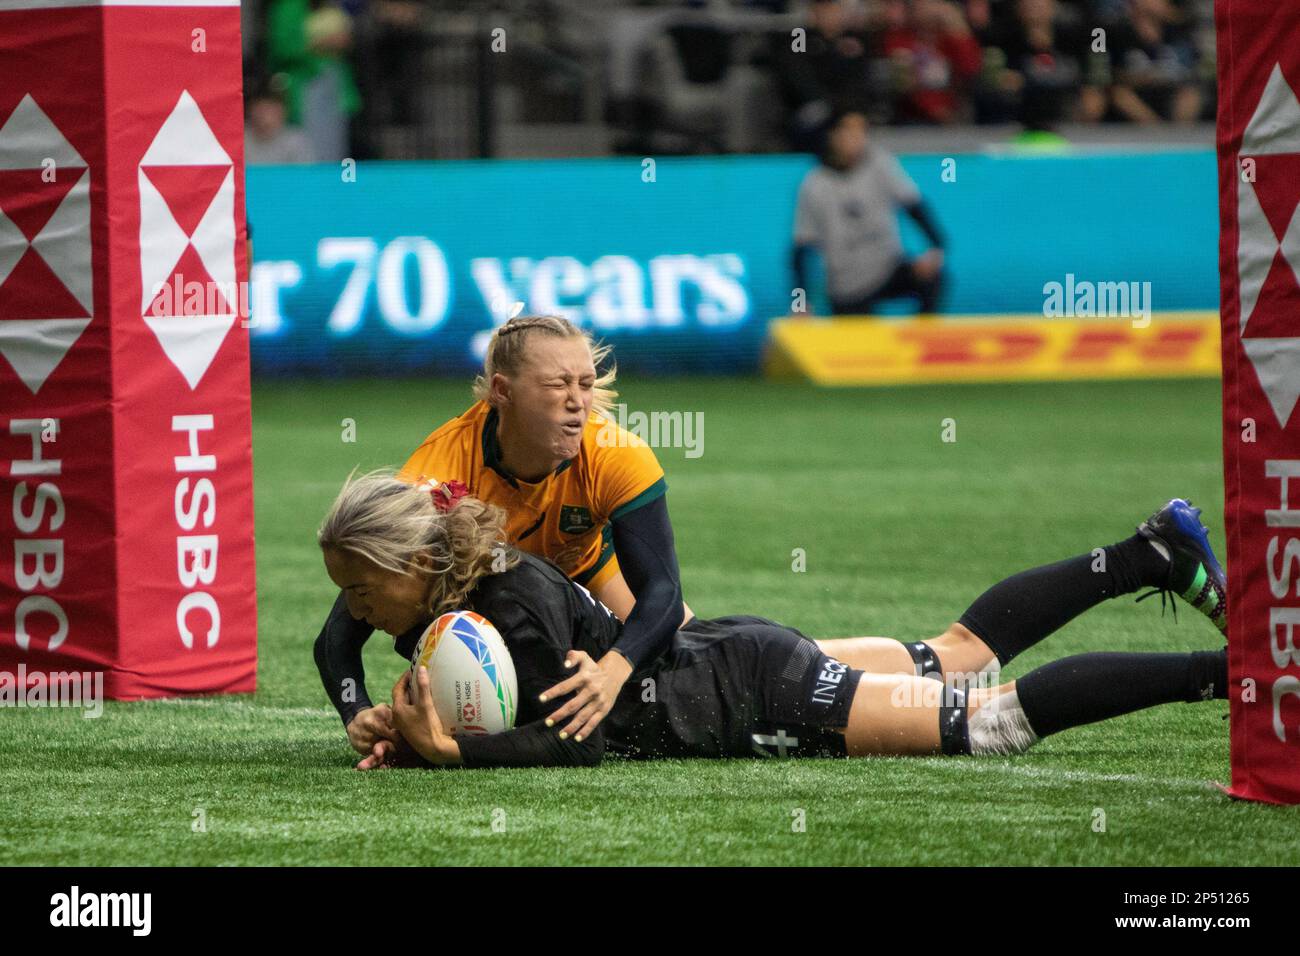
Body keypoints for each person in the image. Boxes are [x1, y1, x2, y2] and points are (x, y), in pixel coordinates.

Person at [318, 473, 1229, 770]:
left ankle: (1228, 673)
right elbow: (335, 644)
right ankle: (1150, 554)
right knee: (953, 657)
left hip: (747, 688)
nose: (356, 615)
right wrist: (378, 716)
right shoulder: (453, 589)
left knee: (987, 719)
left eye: (363, 593)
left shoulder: (506, 605)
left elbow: (576, 738)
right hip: (719, 659)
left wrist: (452, 754)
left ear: (417, 564)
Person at [314, 315, 691, 760]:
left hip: (588, 574)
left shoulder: (617, 455)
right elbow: (349, 617)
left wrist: (614, 668)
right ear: (502, 391)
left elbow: (663, 594)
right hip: (490, 595)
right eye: (557, 385)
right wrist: (355, 711)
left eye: (585, 383)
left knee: (681, 655)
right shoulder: (437, 472)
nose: (578, 403)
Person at [792, 109, 946, 316]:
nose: (859, 138)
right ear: (832, 136)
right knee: (854, 342)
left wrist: (936, 246)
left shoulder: (878, 162)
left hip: (888, 267)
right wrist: (800, 303)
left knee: (932, 278)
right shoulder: (814, 184)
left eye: (861, 131)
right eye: (850, 132)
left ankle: (920, 339)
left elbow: (913, 205)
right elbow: (801, 250)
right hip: (846, 286)